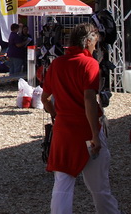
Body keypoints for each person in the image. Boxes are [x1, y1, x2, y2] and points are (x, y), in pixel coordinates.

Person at [40, 23, 120, 214]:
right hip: (85, 129)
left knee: (62, 183)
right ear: (89, 42)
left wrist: (55, 115)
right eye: (95, 44)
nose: (95, 48)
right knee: (99, 186)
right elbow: (89, 100)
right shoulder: (89, 64)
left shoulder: (57, 64)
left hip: (63, 130)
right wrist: (95, 134)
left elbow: (45, 98)